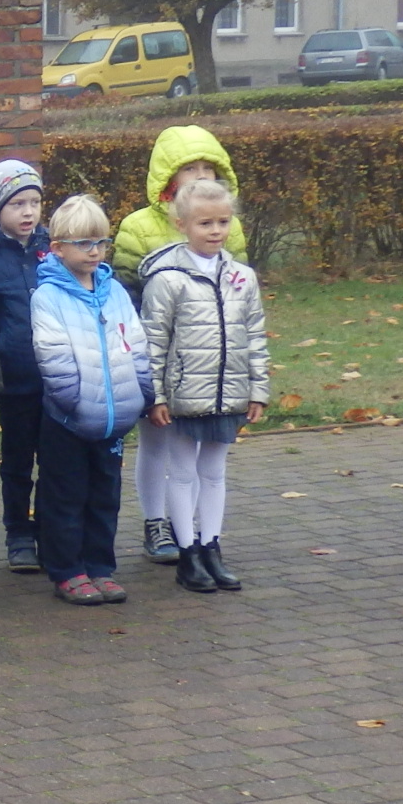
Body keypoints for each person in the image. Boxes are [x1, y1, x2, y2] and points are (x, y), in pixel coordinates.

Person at [112, 125, 247, 565]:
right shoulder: (138, 227)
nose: (201, 176)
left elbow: (238, 298)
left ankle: (195, 531)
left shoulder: (230, 227)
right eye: (190, 168)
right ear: (168, 177)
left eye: (209, 168)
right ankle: (156, 522)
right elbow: (126, 297)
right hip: (159, 359)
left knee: (201, 456)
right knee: (157, 443)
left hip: (209, 364)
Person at [138, 180, 269, 595]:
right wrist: (156, 396)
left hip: (228, 393)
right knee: (181, 473)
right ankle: (188, 553)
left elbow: (255, 335)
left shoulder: (242, 277)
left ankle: (211, 546)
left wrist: (258, 389)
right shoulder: (167, 279)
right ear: (182, 224)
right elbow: (153, 342)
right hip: (183, 397)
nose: (215, 231)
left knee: (213, 473)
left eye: (223, 222)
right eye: (205, 223)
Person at [31, 196, 152, 605]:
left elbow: (136, 343)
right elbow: (53, 356)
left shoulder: (114, 290)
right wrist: (73, 404)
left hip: (113, 418)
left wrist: (141, 392)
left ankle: (100, 567)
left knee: (105, 497)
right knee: (66, 496)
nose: (95, 251)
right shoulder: (48, 296)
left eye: (101, 241)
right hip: (69, 419)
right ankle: (68, 570)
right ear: (58, 247)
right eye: (83, 243)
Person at [0, 160, 51, 574]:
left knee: (56, 462)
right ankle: (18, 534)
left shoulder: (53, 250)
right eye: (17, 204)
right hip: (15, 382)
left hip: (58, 380)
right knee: (18, 463)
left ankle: (52, 531)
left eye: (34, 202)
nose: (28, 212)